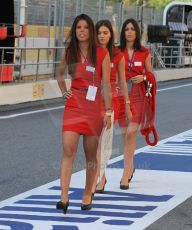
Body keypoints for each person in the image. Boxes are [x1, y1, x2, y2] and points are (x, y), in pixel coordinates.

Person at [55, 14, 112, 214]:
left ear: (91, 31)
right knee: (68, 149)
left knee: (90, 154)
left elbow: (106, 84)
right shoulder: (69, 51)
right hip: (73, 104)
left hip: (94, 106)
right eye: (78, 27)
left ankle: (88, 193)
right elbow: (59, 73)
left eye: (85, 27)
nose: (81, 31)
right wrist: (64, 91)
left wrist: (108, 110)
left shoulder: (102, 53)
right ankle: (63, 196)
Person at [94, 20, 132, 194]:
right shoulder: (91, 53)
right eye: (99, 33)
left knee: (104, 140)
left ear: (111, 35)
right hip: (92, 100)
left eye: (105, 33)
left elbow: (123, 82)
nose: (102, 36)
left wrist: (127, 104)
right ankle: (101, 177)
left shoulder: (118, 55)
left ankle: (98, 177)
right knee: (94, 142)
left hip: (111, 101)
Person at [118, 18, 156, 190]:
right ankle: (130, 166)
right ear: (123, 32)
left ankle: (126, 171)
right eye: (127, 29)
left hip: (139, 96)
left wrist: (144, 77)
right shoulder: (116, 51)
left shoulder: (144, 52)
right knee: (124, 133)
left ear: (137, 32)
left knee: (131, 133)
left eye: (133, 29)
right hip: (121, 96)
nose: (130, 32)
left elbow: (151, 75)